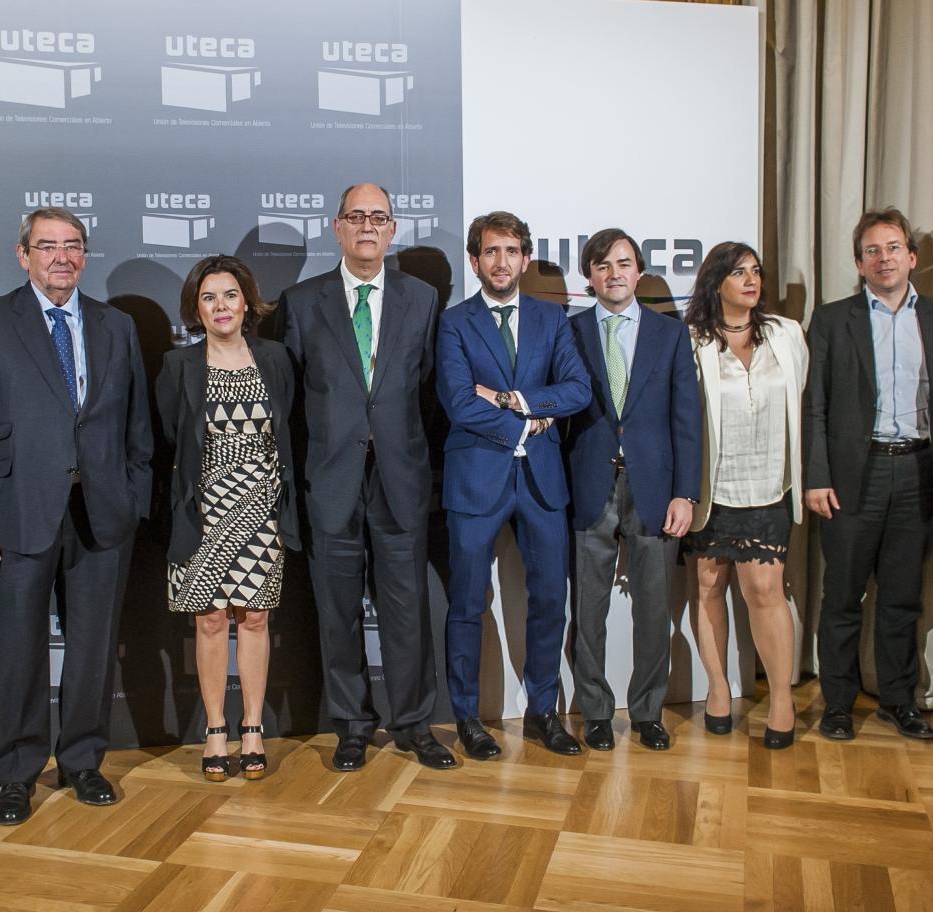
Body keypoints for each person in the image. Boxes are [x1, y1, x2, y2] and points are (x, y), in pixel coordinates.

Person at [0, 207, 152, 824]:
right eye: (48, 246)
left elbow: (137, 424)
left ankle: (83, 762)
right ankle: (17, 774)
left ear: (85, 254)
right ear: (22, 253)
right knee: (18, 649)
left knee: (91, 650)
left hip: (103, 515)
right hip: (14, 516)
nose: (62, 256)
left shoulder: (116, 326)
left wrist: (134, 497)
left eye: (73, 245)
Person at [275, 182, 453, 772]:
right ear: (337, 227)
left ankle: (414, 723)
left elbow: (429, 390)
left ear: (393, 229)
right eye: (357, 217)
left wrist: (398, 444)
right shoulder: (302, 302)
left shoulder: (422, 299)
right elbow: (292, 400)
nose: (368, 226)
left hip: (401, 478)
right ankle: (351, 724)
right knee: (338, 609)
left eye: (379, 217)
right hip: (330, 481)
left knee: (408, 611)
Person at [435, 210, 591, 759]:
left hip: (543, 481)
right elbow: (457, 402)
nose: (501, 262)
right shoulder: (455, 323)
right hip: (476, 479)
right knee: (467, 604)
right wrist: (529, 422)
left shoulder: (554, 320)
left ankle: (543, 712)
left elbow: (577, 390)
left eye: (511, 251)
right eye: (491, 251)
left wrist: (512, 402)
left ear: (525, 259)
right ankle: (468, 718)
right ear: (475, 260)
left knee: (550, 598)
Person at [804, 210, 933, 743]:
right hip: (851, 478)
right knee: (842, 597)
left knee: (902, 597)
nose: (884, 258)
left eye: (893, 248)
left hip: (917, 471)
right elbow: (815, 405)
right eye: (872, 250)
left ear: (912, 257)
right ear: (859, 262)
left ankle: (898, 699)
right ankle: (839, 703)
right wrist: (816, 476)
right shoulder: (831, 319)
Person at [157, 256, 298, 780]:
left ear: (247, 302)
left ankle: (254, 726)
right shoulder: (179, 367)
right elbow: (170, 442)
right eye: (210, 297)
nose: (222, 306)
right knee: (210, 620)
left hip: (263, 508)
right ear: (196, 308)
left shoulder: (277, 360)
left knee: (256, 618)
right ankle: (216, 728)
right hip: (203, 513)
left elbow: (288, 433)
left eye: (230, 295)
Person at [563, 229, 700, 752]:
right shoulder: (569, 331)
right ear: (590, 275)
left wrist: (685, 492)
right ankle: (596, 711)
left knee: (653, 608)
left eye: (623, 263)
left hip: (655, 488)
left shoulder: (670, 334)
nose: (613, 273)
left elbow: (687, 420)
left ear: (638, 271)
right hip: (589, 485)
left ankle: (647, 711)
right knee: (589, 610)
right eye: (602, 265)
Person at [683, 241, 806, 749]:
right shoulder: (690, 340)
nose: (752, 280)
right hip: (713, 490)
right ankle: (717, 690)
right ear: (716, 283)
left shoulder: (787, 334)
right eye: (739, 273)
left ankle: (780, 699)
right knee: (709, 587)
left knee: (765, 593)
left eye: (756, 271)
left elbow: (805, 407)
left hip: (769, 487)